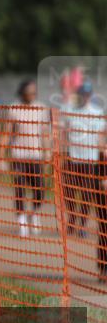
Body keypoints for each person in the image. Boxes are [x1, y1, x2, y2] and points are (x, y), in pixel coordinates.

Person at [60, 81, 107, 278]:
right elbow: (63, 134)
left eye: (88, 94)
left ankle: (82, 223)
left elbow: (101, 140)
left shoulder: (97, 113)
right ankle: (104, 268)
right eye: (83, 93)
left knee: (87, 194)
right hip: (74, 159)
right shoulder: (70, 111)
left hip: (91, 161)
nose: (86, 97)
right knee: (71, 192)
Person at [0, 79, 51, 238]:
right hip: (18, 156)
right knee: (19, 189)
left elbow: (45, 133)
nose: (32, 95)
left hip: (36, 155)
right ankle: (22, 222)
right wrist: (0, 157)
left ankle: (34, 213)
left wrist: (48, 152)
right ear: (22, 93)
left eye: (34, 92)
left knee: (39, 190)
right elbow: (6, 134)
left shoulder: (41, 108)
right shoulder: (14, 108)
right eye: (29, 92)